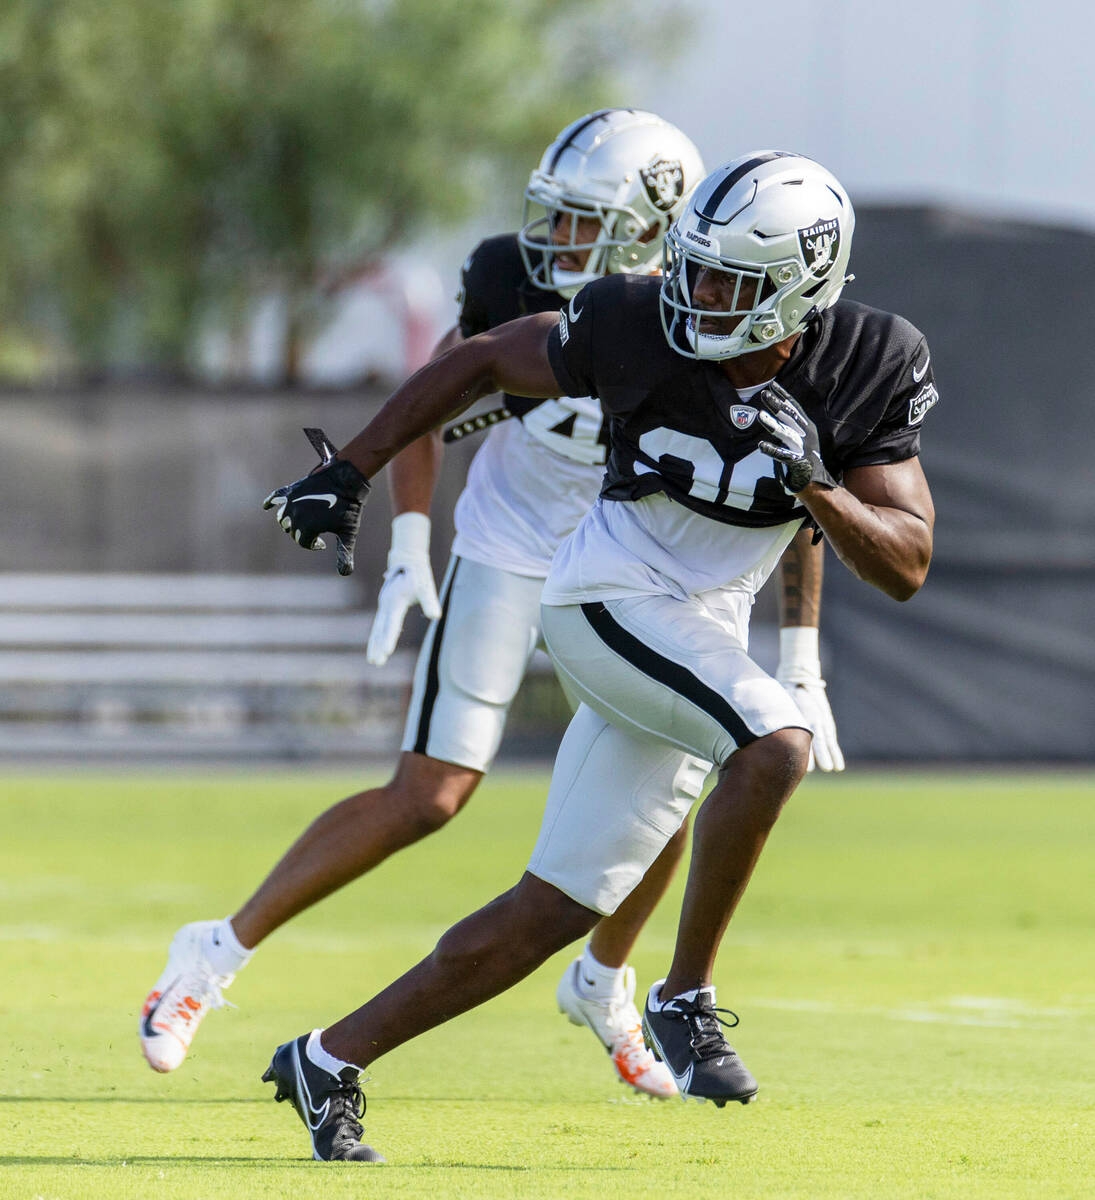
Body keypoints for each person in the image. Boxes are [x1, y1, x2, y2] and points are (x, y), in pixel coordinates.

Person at [139, 116, 839, 1103]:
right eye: (551, 216)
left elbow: (799, 479)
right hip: (515, 543)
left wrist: (801, 648)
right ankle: (213, 952)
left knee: (679, 756)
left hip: (642, 560)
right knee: (431, 793)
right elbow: (442, 389)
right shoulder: (530, 286)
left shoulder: (721, 310)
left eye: (583, 221)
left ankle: (605, 978)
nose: (553, 240)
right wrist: (412, 542)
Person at [256, 149, 936, 1162]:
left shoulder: (870, 359)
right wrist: (352, 472)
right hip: (607, 596)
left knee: (553, 909)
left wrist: (820, 488)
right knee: (775, 742)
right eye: (696, 267)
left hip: (697, 626)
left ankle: (329, 1059)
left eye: (730, 282)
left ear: (803, 285)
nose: (699, 294)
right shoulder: (629, 317)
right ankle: (685, 997)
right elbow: (481, 357)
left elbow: (908, 561)